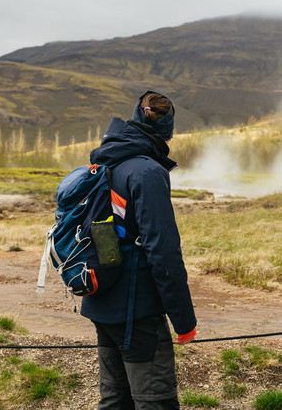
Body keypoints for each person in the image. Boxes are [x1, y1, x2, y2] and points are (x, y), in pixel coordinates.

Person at [81, 90, 197, 410]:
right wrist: (184, 321)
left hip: (101, 297)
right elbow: (163, 253)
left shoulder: (104, 160)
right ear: (167, 131)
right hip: (136, 311)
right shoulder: (147, 172)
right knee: (153, 402)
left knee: (115, 399)